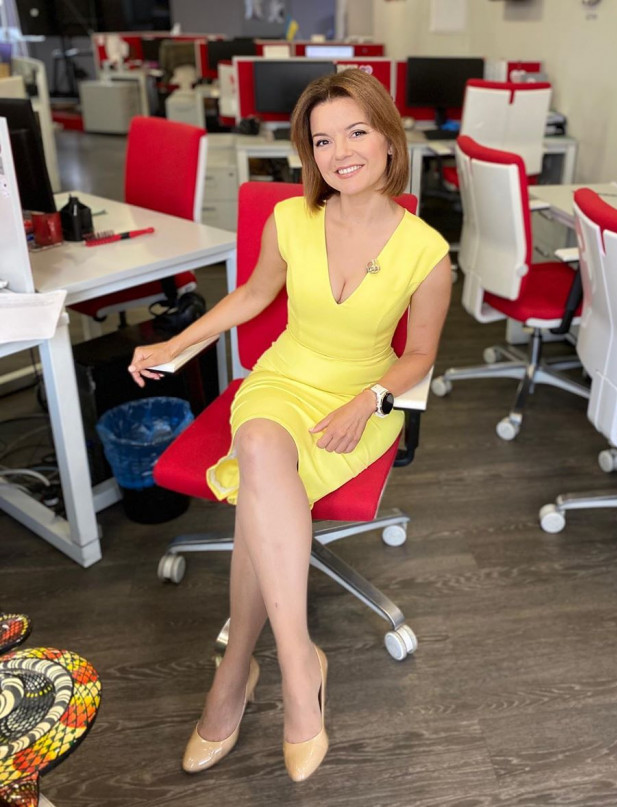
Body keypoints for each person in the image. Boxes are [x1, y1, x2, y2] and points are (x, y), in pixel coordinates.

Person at [128, 68, 451, 783]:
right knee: (260, 442)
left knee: (260, 490)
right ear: (309, 153)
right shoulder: (291, 219)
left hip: (360, 397)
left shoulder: (427, 250)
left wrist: (368, 400)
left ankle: (235, 670)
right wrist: (175, 343)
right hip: (282, 380)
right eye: (323, 140)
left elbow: (421, 355)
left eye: (356, 132)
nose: (340, 153)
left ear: (388, 139)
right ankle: (299, 666)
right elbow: (250, 295)